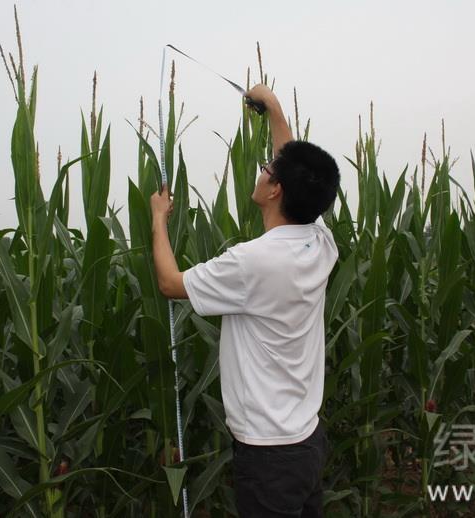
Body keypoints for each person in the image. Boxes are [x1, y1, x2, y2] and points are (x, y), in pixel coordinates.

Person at [150, 83, 340, 517]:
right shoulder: (320, 241)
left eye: (269, 169)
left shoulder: (253, 261)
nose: (263, 169)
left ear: (276, 191)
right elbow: (295, 165)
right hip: (306, 442)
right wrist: (273, 108)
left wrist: (159, 219)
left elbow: (169, 283)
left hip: (268, 456)